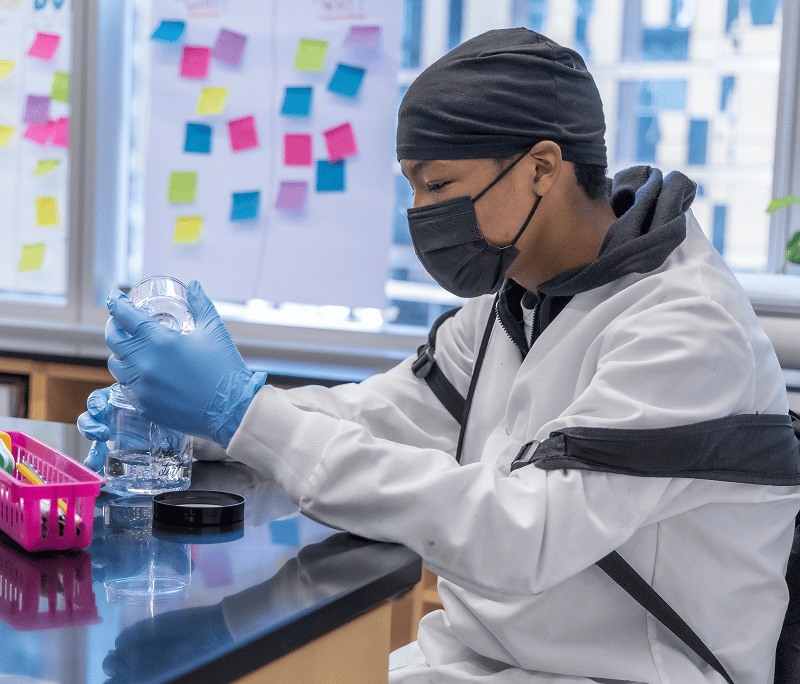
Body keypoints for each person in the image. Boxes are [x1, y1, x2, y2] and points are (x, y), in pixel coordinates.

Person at [79, 28, 800, 683]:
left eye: (440, 184)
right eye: (413, 187)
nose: (422, 213)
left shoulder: (685, 328)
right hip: (485, 662)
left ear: (542, 168)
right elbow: (382, 416)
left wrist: (242, 409)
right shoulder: (514, 301)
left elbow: (525, 535)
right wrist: (198, 420)